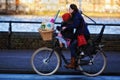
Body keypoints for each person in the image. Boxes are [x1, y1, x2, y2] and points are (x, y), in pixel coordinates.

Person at [62, 4, 90, 68]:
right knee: (72, 44)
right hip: (80, 34)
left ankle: (73, 64)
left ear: (73, 9)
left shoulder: (77, 16)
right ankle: (75, 61)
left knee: (72, 46)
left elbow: (75, 25)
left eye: (69, 9)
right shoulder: (75, 15)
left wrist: (66, 27)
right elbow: (70, 22)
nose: (68, 10)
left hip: (83, 35)